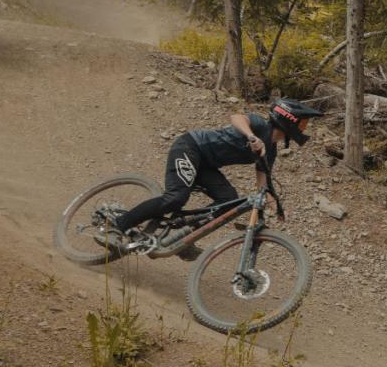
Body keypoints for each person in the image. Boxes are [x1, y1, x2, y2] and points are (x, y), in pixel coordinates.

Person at [102, 98, 325, 252]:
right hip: (190, 148)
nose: (304, 128)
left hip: (207, 166)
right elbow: (236, 117)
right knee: (176, 197)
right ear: (288, 119)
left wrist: (267, 198)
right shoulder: (258, 125)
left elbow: (261, 181)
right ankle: (117, 226)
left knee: (229, 204)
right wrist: (251, 137)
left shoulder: (272, 150)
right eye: (303, 123)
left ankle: (179, 240)